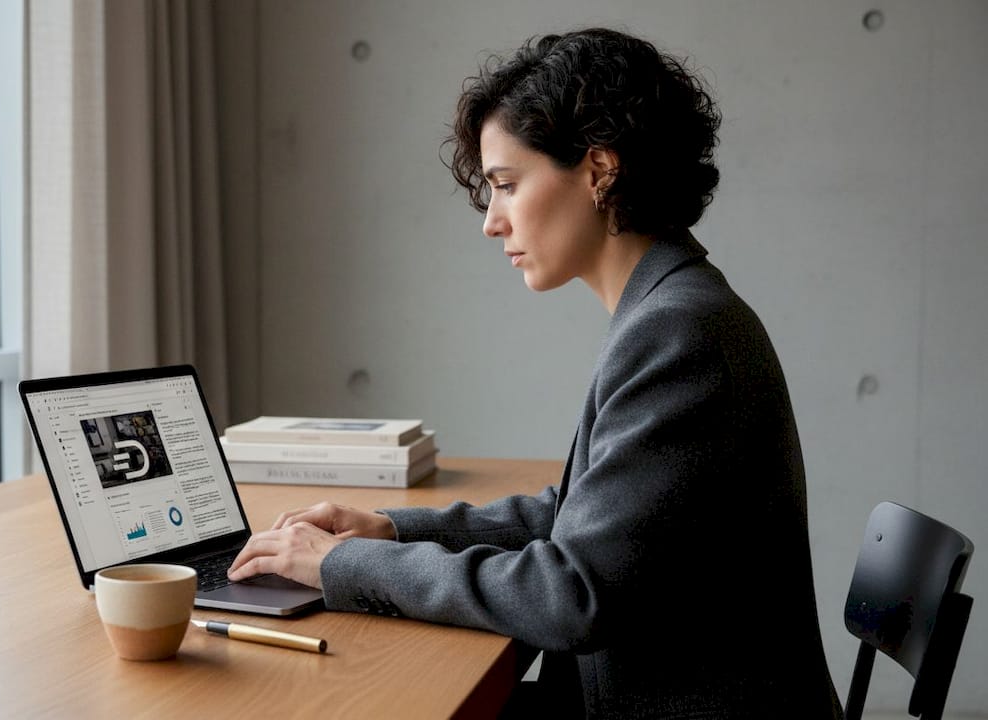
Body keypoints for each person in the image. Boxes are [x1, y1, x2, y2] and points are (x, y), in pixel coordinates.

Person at [228, 26, 843, 718]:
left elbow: (571, 593)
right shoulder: (673, 308)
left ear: (599, 170)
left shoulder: (679, 330)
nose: (492, 222)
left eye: (507, 185)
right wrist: (391, 530)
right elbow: (574, 517)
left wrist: (339, 566)